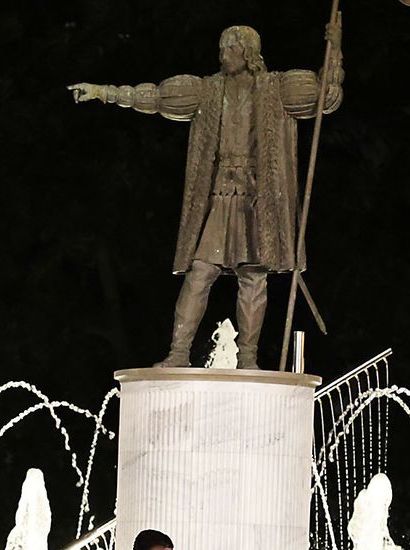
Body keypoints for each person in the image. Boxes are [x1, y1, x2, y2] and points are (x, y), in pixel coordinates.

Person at [69, 18, 343, 367]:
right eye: (221, 47)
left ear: (249, 52)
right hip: (220, 195)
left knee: (253, 276)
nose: (223, 53)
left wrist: (333, 53)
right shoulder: (208, 91)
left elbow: (326, 97)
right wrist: (104, 91)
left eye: (230, 47)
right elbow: (154, 97)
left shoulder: (277, 88)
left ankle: (247, 358)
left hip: (258, 200)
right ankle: (178, 353)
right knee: (199, 272)